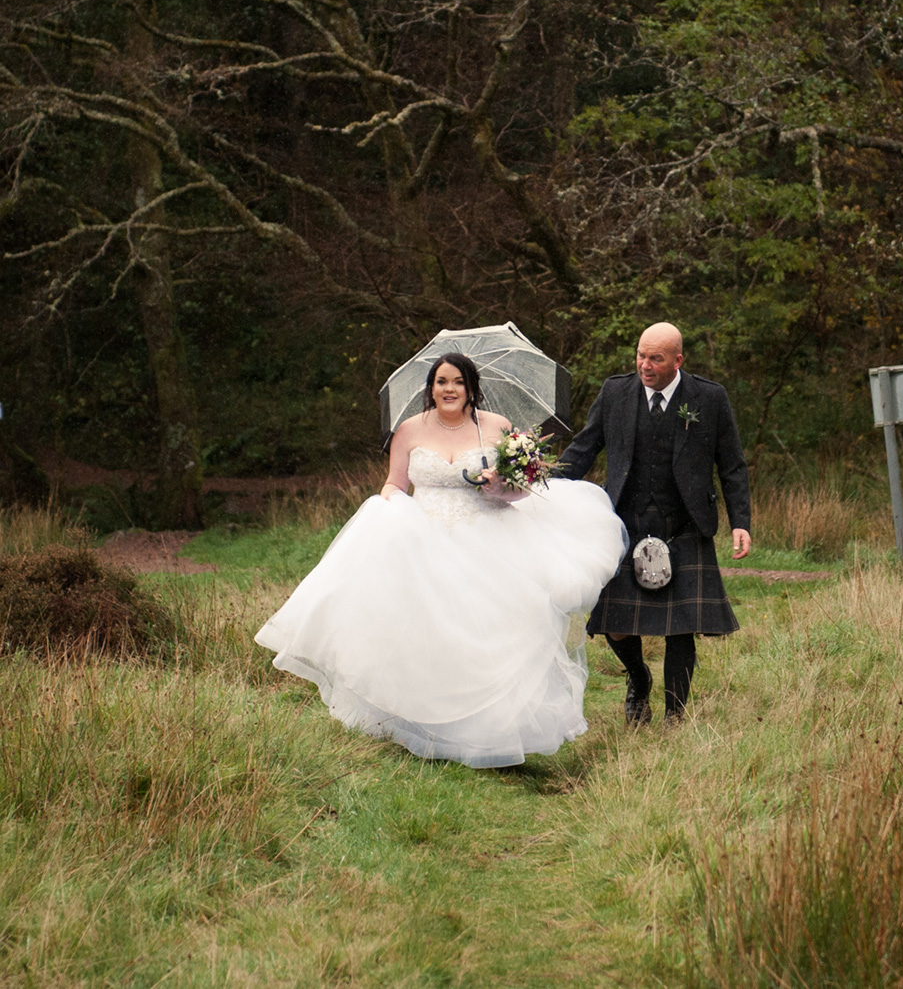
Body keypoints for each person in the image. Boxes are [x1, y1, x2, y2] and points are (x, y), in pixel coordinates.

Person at [255, 352, 628, 769]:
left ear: (471, 388)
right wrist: (398, 513)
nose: (448, 389)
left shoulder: (498, 427)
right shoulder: (409, 430)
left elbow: (521, 490)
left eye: (457, 382)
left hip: (490, 538)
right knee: (426, 629)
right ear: (430, 389)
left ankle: (492, 732)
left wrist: (499, 486)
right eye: (440, 382)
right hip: (424, 537)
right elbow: (394, 484)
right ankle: (423, 722)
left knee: (492, 629)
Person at [558, 323, 751, 725]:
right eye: (641, 356)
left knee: (681, 626)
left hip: (685, 523)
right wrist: (539, 484)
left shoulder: (709, 398)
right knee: (614, 622)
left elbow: (731, 464)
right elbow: (584, 447)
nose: (645, 365)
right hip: (624, 522)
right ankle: (638, 680)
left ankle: (675, 716)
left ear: (678, 360)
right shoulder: (615, 392)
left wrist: (740, 521)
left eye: (656, 359)